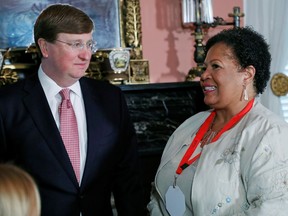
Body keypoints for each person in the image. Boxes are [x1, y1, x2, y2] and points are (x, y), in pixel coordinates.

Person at [0, 3, 145, 216]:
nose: (86, 55)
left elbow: (128, 178)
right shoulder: (7, 104)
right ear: (45, 47)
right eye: (76, 44)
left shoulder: (111, 99)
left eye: (89, 44)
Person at [147, 26, 288, 216]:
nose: (204, 75)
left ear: (247, 74)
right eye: (205, 67)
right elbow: (158, 196)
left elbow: (271, 210)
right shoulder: (190, 125)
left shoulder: (270, 134)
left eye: (216, 66)